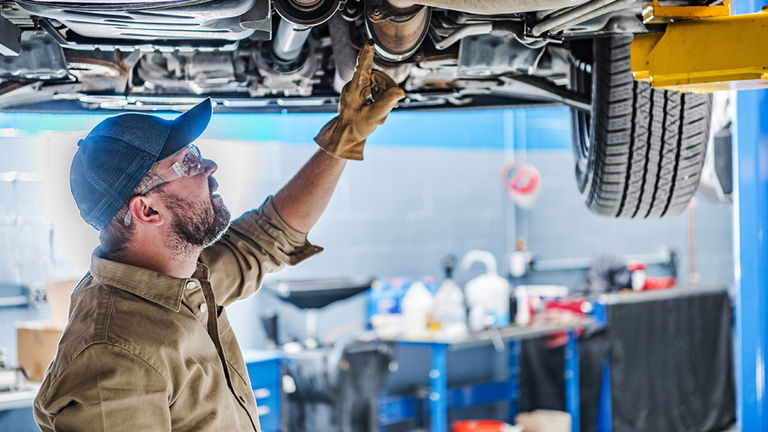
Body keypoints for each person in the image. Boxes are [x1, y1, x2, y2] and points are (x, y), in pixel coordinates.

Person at [33, 41, 404, 432]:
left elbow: (267, 237)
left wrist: (344, 138)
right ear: (147, 210)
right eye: (187, 163)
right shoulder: (114, 354)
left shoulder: (181, 275)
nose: (209, 165)